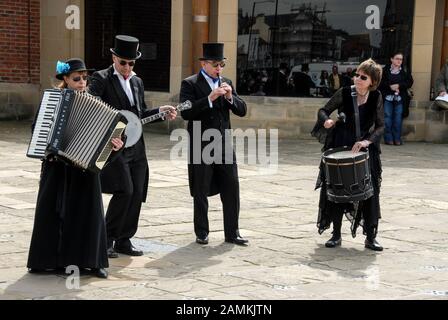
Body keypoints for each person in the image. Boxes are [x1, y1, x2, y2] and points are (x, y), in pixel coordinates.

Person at [27, 58, 124, 278]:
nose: (82, 82)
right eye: (76, 78)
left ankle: (93, 262)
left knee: (89, 214)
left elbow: (113, 136)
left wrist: (116, 145)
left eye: (84, 78)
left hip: (84, 169)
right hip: (56, 167)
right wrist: (47, 138)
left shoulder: (95, 103)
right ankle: (46, 260)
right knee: (51, 212)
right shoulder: (52, 100)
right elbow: (37, 129)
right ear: (65, 80)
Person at [88, 35, 177, 258]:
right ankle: (106, 239)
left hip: (137, 147)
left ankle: (124, 240)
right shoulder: (101, 78)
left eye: (132, 63)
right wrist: (111, 132)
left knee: (137, 192)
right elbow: (92, 107)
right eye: (123, 62)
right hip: (116, 145)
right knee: (124, 190)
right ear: (114, 58)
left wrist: (160, 112)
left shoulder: (137, 82)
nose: (127, 67)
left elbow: (139, 115)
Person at [311, 58, 385, 251]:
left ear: (372, 82)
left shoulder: (376, 97)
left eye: (363, 77)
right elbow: (323, 110)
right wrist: (326, 120)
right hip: (341, 145)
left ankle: (370, 236)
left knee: (370, 192)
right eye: (357, 75)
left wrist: (367, 141)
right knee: (336, 190)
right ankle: (336, 235)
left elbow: (380, 126)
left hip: (364, 149)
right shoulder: (344, 93)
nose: (358, 79)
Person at [179, 42, 248, 246]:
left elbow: (242, 109)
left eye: (222, 64)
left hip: (224, 144)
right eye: (215, 64)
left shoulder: (226, 82)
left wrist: (229, 97)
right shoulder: (190, 83)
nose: (219, 68)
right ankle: (202, 232)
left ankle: (232, 232)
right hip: (201, 143)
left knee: (232, 187)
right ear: (204, 63)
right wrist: (208, 99)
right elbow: (186, 111)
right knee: (201, 188)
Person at [379, 52, 414, 145]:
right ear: (392, 59)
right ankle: (389, 139)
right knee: (387, 118)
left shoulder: (405, 70)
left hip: (400, 99)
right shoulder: (384, 70)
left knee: (398, 119)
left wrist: (399, 85)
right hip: (387, 98)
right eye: (397, 59)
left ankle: (397, 139)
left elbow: (410, 82)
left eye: (401, 59)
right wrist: (390, 87)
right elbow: (380, 83)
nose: (399, 61)